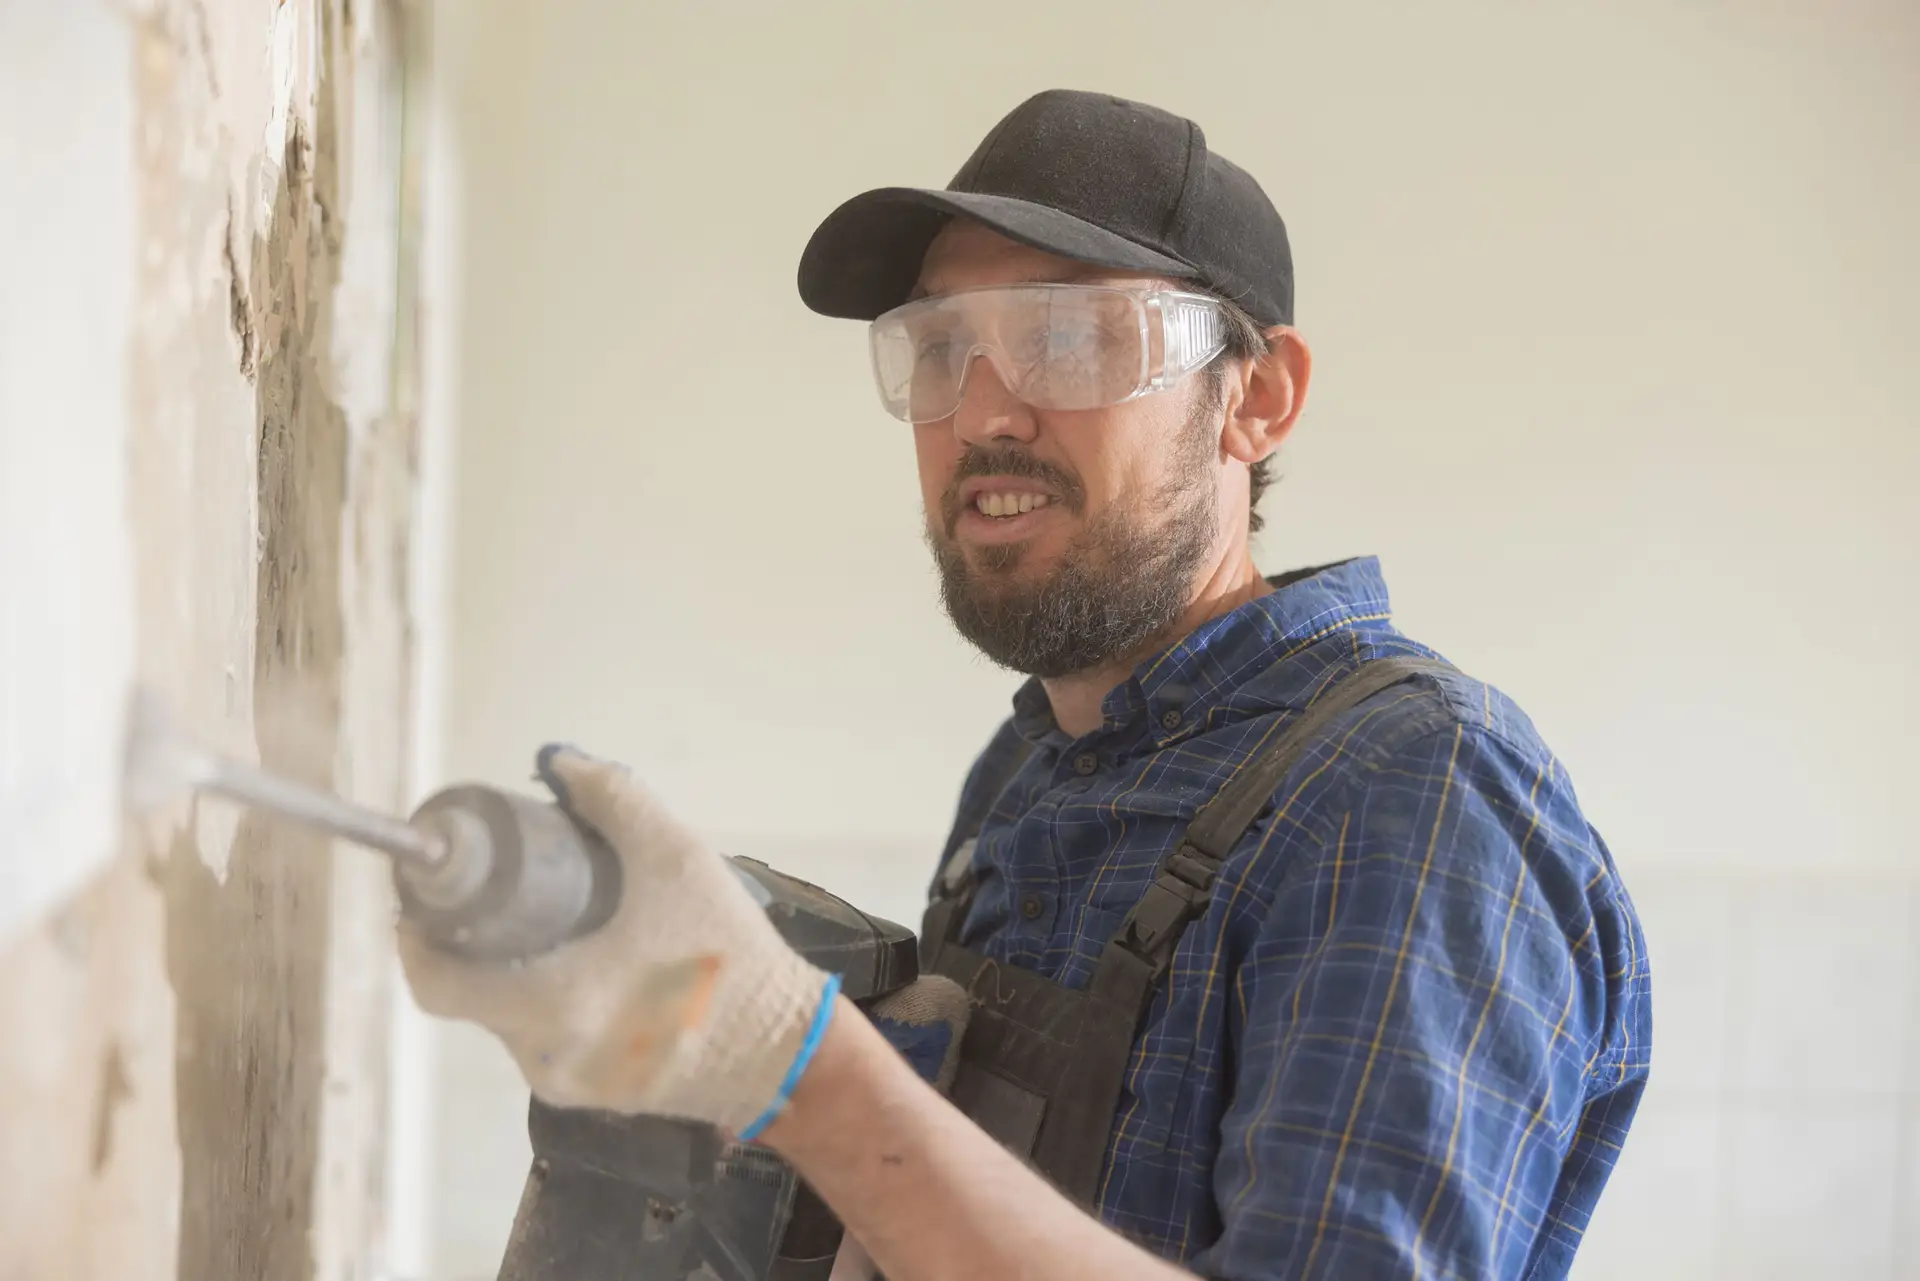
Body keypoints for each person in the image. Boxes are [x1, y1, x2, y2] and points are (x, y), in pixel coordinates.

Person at [401, 89, 1652, 1280]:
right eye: (941, 347)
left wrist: (799, 1066)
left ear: (1257, 400)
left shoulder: (1409, 799)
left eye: (1069, 340)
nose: (984, 413)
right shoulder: (1030, 767)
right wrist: (664, 1060)